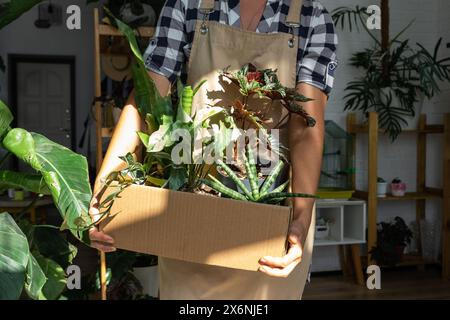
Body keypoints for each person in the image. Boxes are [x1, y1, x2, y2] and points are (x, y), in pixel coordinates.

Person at [89, 0, 338, 300]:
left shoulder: (312, 17)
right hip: (193, 217)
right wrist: (107, 185)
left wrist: (299, 220)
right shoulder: (189, 5)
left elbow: (306, 126)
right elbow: (147, 98)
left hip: (272, 225)